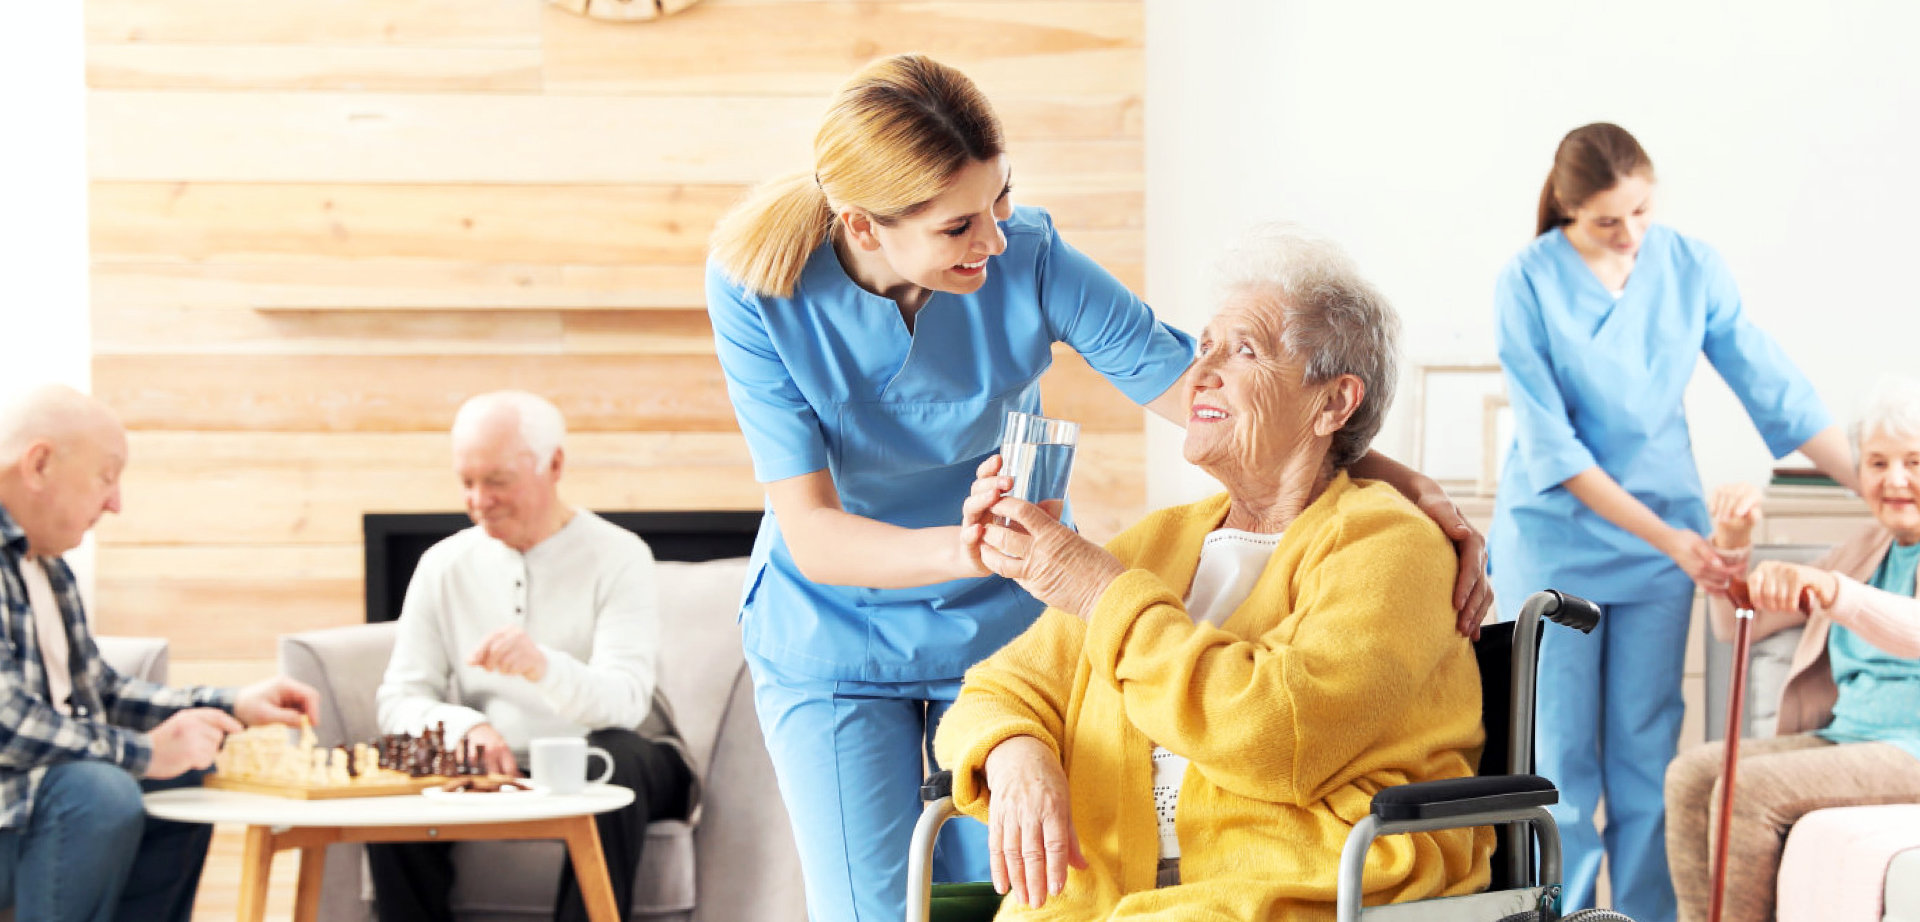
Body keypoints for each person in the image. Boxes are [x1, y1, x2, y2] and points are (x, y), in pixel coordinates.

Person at [705, 54, 1494, 922]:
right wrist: (1000, 583)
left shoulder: (1028, 258)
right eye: (961, 225)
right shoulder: (762, 288)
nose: (995, 239)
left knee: (1008, 890)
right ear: (863, 225)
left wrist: (1399, 478)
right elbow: (815, 534)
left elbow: (1195, 391)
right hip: (838, 627)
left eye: (1002, 199)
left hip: (1002, 607)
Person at [933, 225, 1493, 919]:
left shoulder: (1387, 546)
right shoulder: (1159, 542)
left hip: (1296, 882)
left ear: (1333, 403)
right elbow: (994, 691)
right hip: (1116, 891)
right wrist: (1019, 757)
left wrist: (1100, 593)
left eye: (1245, 351)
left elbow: (1277, 735)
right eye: (1203, 348)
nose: (1198, 373)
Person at [1488, 122, 1859, 921]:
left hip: (1664, 546)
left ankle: (1647, 916)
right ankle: (1565, 913)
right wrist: (1672, 542)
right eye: (1607, 222)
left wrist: (1882, 480)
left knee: (1648, 750)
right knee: (1560, 761)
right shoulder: (1526, 282)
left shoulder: (1688, 266)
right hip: (1558, 539)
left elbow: (1775, 387)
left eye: (1642, 214)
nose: (1630, 238)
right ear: (1565, 207)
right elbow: (1556, 446)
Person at [369, 391, 694, 922]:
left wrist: (541, 666)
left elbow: (626, 703)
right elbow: (400, 698)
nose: (479, 500)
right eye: (467, 482)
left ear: (555, 464)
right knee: (393, 769)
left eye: (497, 481)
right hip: (497, 763)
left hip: (615, 756)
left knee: (619, 758)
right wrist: (463, 727)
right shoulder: (442, 565)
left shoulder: (618, 555)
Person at [0, 384, 320, 922]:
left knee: (186, 773)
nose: (116, 503)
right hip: (17, 812)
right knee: (98, 790)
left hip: (33, 809)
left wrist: (232, 705)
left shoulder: (47, 568)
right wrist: (144, 753)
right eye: (106, 477)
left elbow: (102, 692)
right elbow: (7, 722)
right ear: (39, 465)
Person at [1665, 377, 1920, 922]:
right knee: (1692, 774)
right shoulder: (1863, 553)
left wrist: (1836, 594)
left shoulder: (1846, 577)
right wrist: (1732, 543)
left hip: (1914, 749)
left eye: (1914, 462)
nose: (1895, 480)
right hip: (1852, 737)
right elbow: (1738, 626)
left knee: (1751, 787)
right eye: (1877, 464)